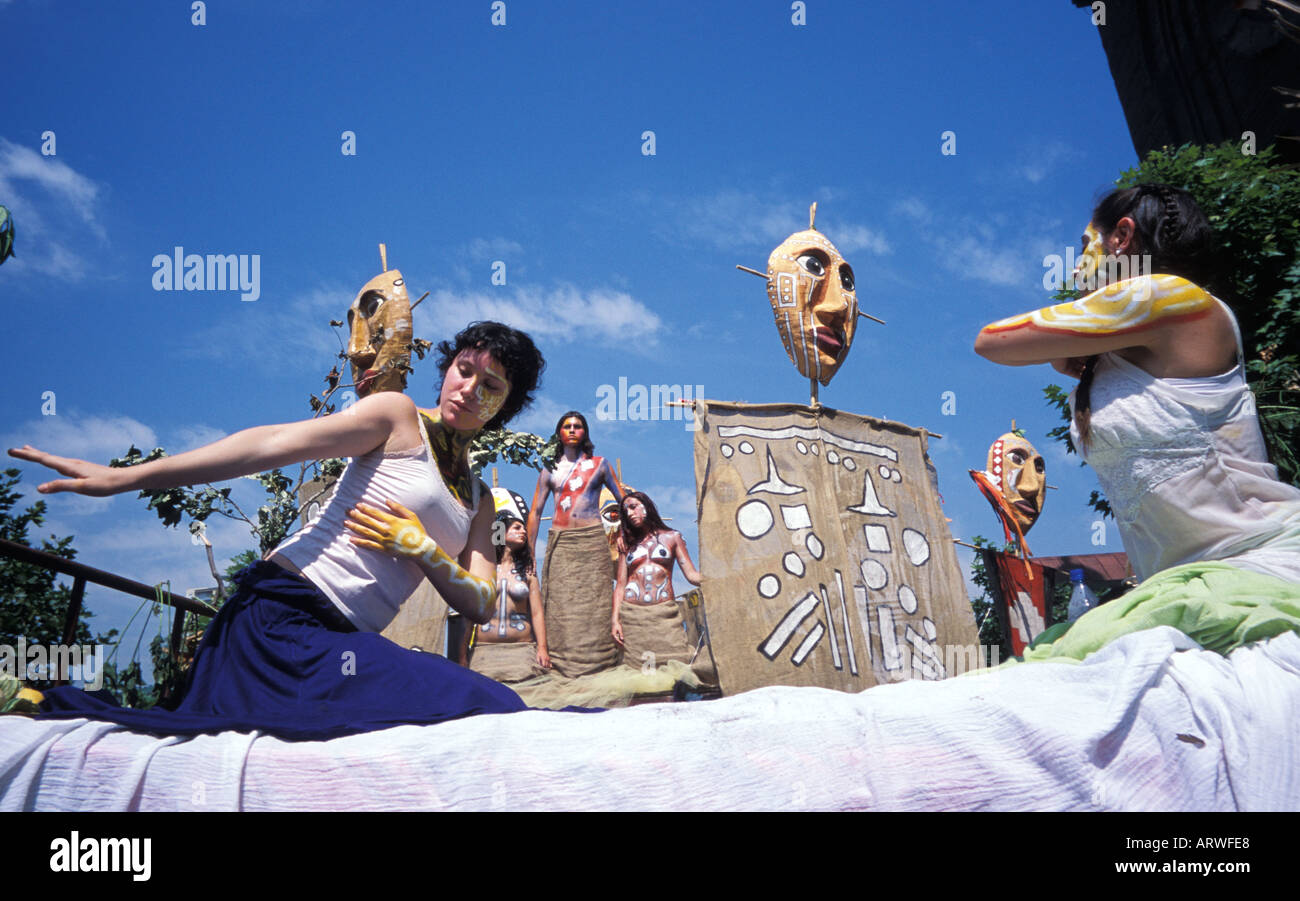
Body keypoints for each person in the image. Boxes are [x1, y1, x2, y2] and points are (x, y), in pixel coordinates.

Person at [8, 320, 548, 740]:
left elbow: (480, 600)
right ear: (448, 367)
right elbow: (272, 443)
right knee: (479, 703)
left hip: (346, 642)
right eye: (464, 369)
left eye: (491, 384)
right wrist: (127, 478)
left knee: (494, 705)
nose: (470, 388)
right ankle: (34, 698)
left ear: (507, 405)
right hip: (278, 617)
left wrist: (425, 549)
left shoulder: (479, 501)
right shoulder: (396, 415)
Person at [974, 184, 1300, 661]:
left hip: (1256, 568)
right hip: (1178, 589)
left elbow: (991, 342)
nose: (1076, 264)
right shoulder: (1119, 349)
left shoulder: (1167, 296)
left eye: (1087, 245)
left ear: (1122, 236)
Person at [526, 411, 624, 676]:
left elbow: (623, 499)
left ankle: (599, 663)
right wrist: (530, 552)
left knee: (595, 604)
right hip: (562, 543)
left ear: (585, 432)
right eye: (566, 426)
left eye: (577, 426)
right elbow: (535, 511)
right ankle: (560, 664)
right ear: (559, 432)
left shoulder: (600, 464)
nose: (572, 430)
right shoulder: (549, 468)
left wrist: (626, 532)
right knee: (560, 604)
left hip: (592, 542)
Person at [611, 491, 703, 671]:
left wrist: (718, 578)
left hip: (664, 614)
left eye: (633, 507)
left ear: (647, 506)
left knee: (677, 662)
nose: (630, 513)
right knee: (639, 671)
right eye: (625, 511)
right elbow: (620, 585)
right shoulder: (627, 545)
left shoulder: (673, 537)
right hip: (632, 616)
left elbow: (691, 575)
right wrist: (615, 621)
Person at [461, 513, 551, 681]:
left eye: (524, 528)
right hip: (484, 653)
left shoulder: (528, 571)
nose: (523, 531)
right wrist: (462, 655)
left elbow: (537, 613)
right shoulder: (484, 570)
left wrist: (542, 649)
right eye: (517, 528)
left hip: (522, 651)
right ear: (500, 532)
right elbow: (470, 615)